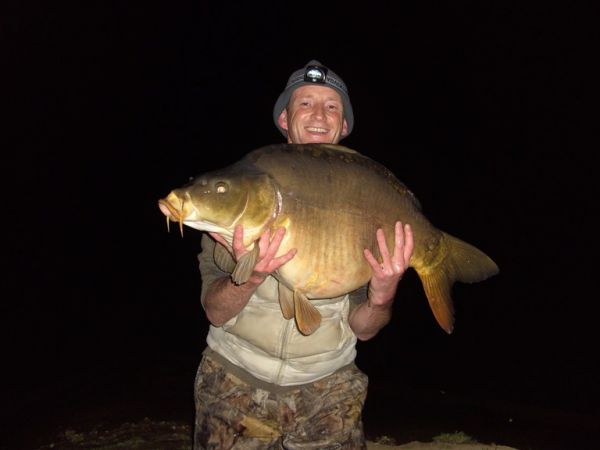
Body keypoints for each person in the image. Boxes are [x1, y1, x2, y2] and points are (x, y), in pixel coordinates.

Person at [194, 60, 414, 449]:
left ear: (343, 126)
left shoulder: (364, 196)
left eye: (332, 107)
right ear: (285, 118)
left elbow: (365, 328)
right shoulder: (246, 193)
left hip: (328, 386)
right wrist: (252, 276)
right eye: (306, 103)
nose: (319, 116)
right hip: (234, 377)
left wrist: (382, 296)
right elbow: (215, 312)